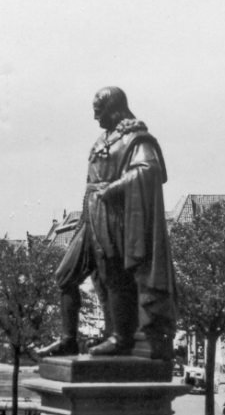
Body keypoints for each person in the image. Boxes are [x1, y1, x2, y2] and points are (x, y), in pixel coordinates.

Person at [37, 87, 177, 361]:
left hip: (114, 215)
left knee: (113, 274)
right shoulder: (104, 139)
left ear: (114, 109)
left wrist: (114, 187)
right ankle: (68, 340)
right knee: (65, 275)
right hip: (91, 214)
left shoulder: (136, 138)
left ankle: (120, 338)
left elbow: (149, 170)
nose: (95, 117)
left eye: (99, 111)